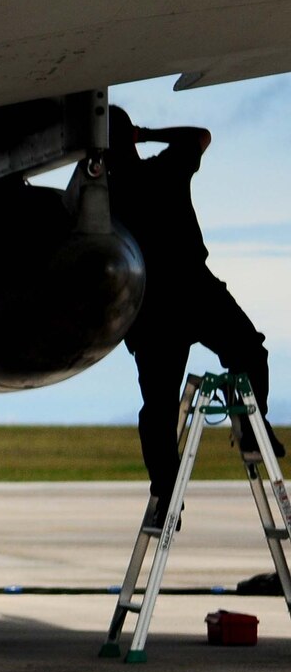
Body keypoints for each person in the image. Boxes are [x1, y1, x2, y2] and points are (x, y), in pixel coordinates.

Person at [107, 105, 279, 512]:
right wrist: (144, 134)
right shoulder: (165, 169)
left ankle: (167, 491)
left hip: (150, 306)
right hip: (194, 289)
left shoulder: (105, 197)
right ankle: (255, 429)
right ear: (129, 137)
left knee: (159, 407)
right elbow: (199, 134)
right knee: (249, 351)